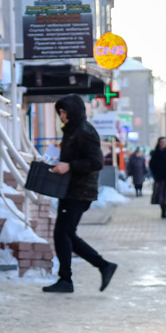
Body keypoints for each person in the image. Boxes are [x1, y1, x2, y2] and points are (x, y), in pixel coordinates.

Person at [43, 94, 118, 294]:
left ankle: (68, 279)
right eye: (59, 112)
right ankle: (101, 266)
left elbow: (96, 162)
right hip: (70, 189)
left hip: (80, 191)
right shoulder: (72, 131)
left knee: (62, 234)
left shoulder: (85, 131)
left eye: (65, 111)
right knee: (65, 234)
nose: (62, 116)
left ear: (74, 111)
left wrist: (69, 166)